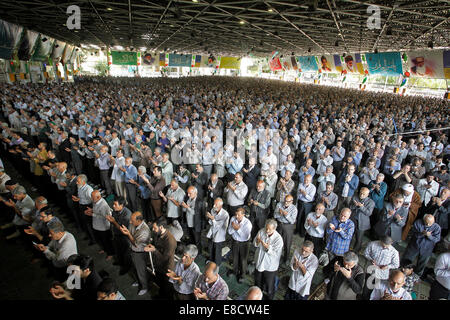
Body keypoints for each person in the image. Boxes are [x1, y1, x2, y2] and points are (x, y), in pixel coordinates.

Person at [144, 218, 177, 299]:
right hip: (158, 265)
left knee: (167, 288)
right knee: (160, 284)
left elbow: (165, 258)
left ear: (161, 227)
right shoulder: (157, 233)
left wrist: (154, 250)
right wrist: (150, 246)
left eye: (155, 228)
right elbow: (154, 243)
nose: (153, 229)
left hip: (166, 268)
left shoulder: (170, 241)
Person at [119, 211, 150, 296]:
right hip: (132, 250)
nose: (130, 222)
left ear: (139, 221)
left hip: (139, 253)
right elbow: (131, 234)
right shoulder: (133, 224)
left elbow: (136, 244)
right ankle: (138, 281)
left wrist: (128, 234)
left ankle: (144, 287)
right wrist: (127, 231)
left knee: (141, 271)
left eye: (132, 220)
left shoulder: (144, 230)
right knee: (134, 268)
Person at [253, 219, 284, 300]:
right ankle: (258, 296)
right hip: (259, 261)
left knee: (269, 286)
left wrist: (267, 248)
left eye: (269, 229)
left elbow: (275, 254)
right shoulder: (261, 231)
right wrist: (257, 241)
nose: (267, 230)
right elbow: (255, 243)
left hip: (270, 266)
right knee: (258, 282)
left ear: (274, 229)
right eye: (266, 228)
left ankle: (269, 298)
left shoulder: (278, 239)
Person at [84, 190, 113, 260]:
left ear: (98, 197)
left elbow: (105, 216)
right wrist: (92, 210)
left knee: (106, 241)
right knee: (101, 240)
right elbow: (97, 210)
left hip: (103, 227)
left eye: (92, 197)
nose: (91, 198)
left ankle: (110, 253)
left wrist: (92, 214)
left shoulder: (103, 205)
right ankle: (104, 249)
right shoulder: (96, 201)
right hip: (97, 225)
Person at [106, 197, 132, 275]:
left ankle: (125, 268)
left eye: (115, 204)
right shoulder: (115, 211)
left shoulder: (127, 215)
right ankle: (120, 262)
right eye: (113, 204)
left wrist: (113, 222)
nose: (113, 206)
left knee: (125, 253)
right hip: (116, 234)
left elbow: (123, 229)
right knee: (118, 251)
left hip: (124, 237)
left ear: (122, 205)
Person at [227, 207, 252, 282]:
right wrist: (234, 228)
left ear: (243, 215)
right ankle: (234, 271)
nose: (236, 216)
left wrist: (237, 229)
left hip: (244, 243)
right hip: (235, 241)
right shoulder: (233, 218)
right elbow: (229, 231)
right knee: (234, 257)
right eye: (236, 214)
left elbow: (245, 236)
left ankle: (242, 275)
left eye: (238, 215)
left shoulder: (247, 223)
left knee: (243, 259)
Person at [349, 187, 375, 252]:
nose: (361, 195)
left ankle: (356, 251)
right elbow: (349, 206)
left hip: (362, 222)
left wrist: (361, 207)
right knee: (350, 235)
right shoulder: (355, 197)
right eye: (360, 193)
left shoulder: (371, 202)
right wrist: (355, 205)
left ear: (367, 195)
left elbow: (369, 213)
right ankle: (347, 247)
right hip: (353, 219)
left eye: (363, 194)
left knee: (359, 238)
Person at [274, 194, 297, 264]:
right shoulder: (279, 204)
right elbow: (275, 215)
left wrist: (286, 215)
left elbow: (292, 221)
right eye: (285, 201)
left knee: (287, 243)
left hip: (288, 226)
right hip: (279, 224)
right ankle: (276, 256)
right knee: (276, 241)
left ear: (291, 201)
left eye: (287, 201)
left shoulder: (294, 209)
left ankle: (286, 259)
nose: (285, 203)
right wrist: (279, 214)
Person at [206, 198, 229, 265]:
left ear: (221, 206)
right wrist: (210, 218)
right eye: (214, 204)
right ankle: (210, 260)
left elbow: (219, 226)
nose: (214, 206)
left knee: (217, 251)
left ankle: (217, 264)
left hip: (219, 235)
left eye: (216, 204)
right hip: (212, 232)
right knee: (210, 248)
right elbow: (211, 223)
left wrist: (212, 219)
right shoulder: (213, 210)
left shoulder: (225, 214)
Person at [181, 186, 205, 253]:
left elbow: (195, 213)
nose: (188, 195)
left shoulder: (200, 202)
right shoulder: (188, 199)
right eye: (187, 193)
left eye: (190, 193)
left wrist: (187, 207)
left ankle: (198, 252)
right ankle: (192, 250)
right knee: (191, 238)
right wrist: (184, 207)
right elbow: (185, 210)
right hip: (189, 223)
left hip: (196, 224)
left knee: (197, 240)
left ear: (195, 193)